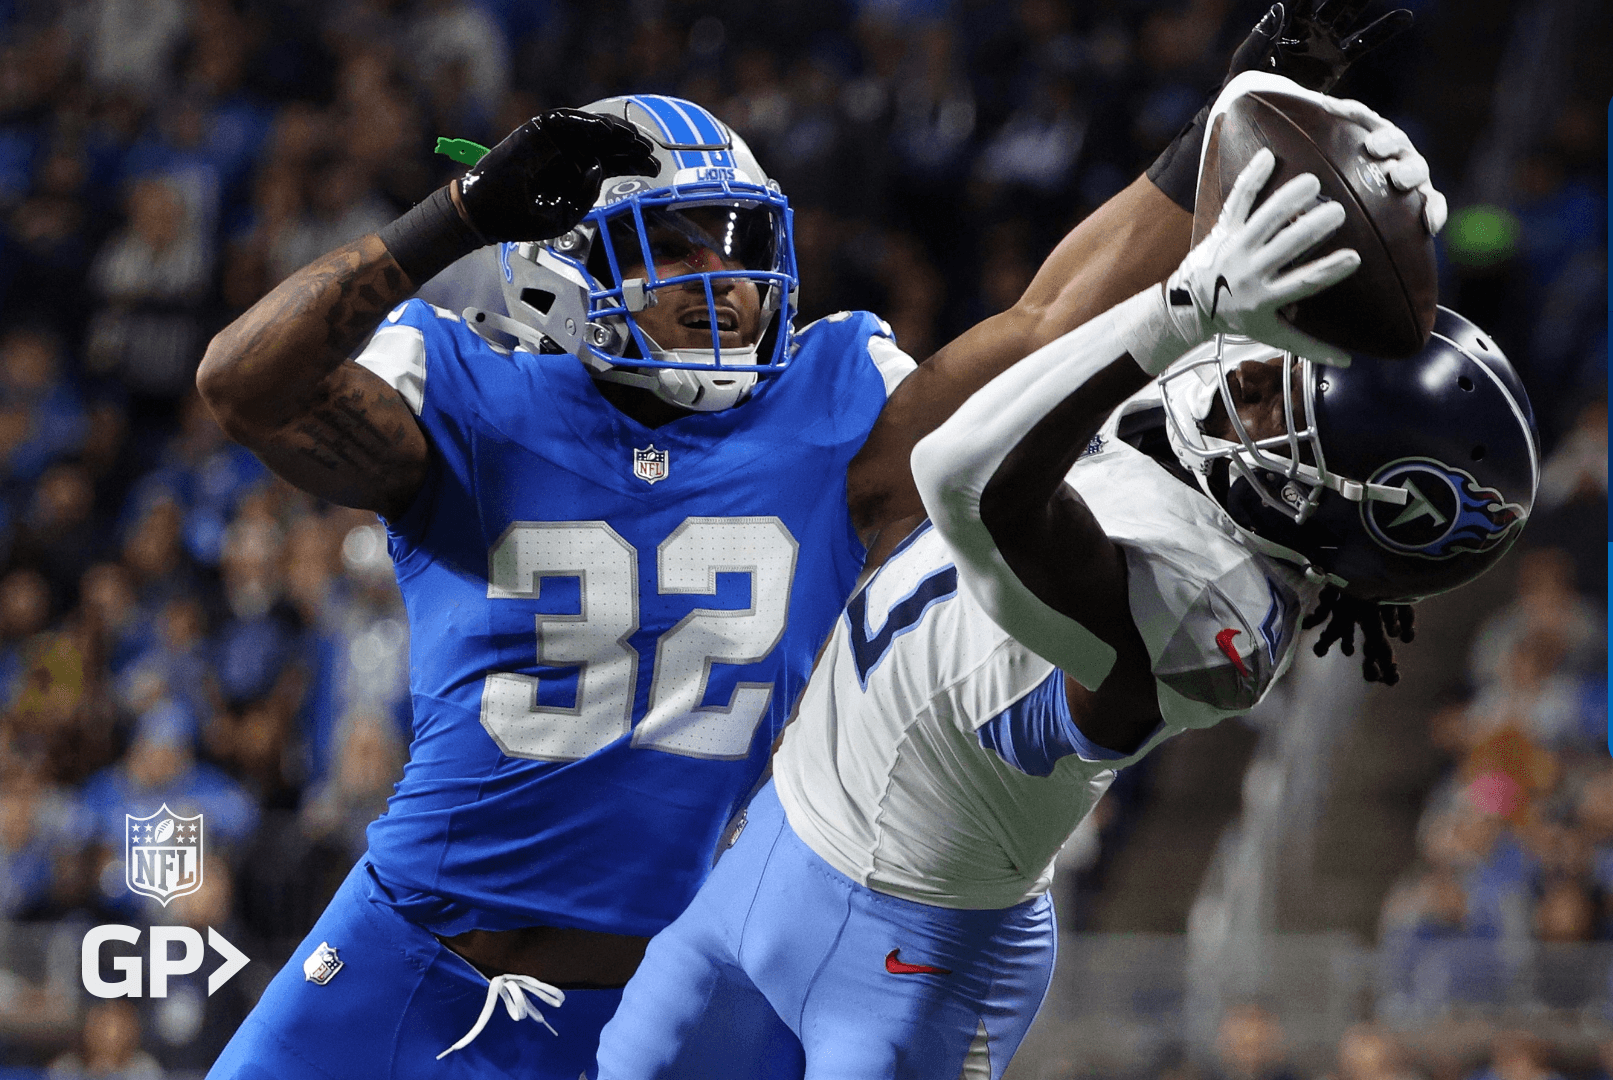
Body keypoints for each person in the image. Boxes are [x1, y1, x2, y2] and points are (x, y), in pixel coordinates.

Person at [198, 6, 1437, 1076]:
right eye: (672, 245)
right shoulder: (474, 396)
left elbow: (1049, 313)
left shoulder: (831, 410)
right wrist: (458, 216)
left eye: (734, 242)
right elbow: (244, 387)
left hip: (662, 997)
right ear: (567, 268)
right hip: (407, 952)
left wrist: (1236, 110)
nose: (721, 277)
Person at [595, 68, 1524, 1080]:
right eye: (1287, 358)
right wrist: (1227, 120)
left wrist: (1177, 310)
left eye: (1285, 399)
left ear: (1337, 503)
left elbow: (962, 475)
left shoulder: (1212, 612)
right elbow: (1054, 314)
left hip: (917, 966)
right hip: (776, 841)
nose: (1253, 371)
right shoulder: (1211, 435)